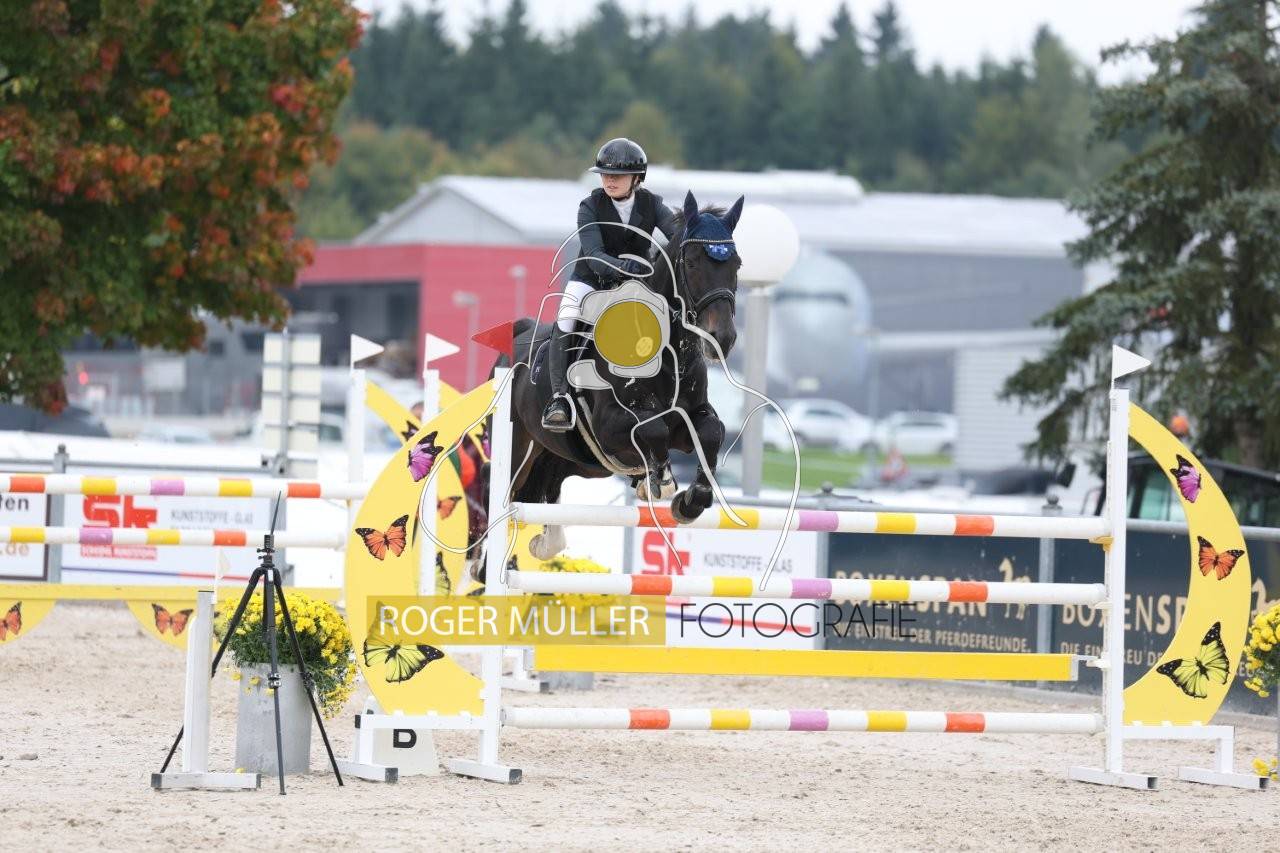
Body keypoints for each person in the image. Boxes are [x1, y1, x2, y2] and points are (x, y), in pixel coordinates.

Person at [540, 137, 680, 432]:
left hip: (639, 284)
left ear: (636, 178)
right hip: (592, 280)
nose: (610, 180)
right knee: (566, 317)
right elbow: (593, 255)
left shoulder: (652, 204)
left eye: (617, 175)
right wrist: (626, 267)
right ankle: (559, 399)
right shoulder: (590, 206)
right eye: (605, 174)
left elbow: (677, 235)